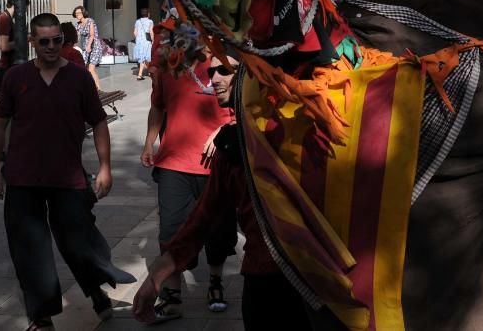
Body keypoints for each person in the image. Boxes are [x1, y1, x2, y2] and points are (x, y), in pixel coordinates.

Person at [133, 56, 337, 330]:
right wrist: (154, 279)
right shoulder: (230, 147)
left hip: (316, 282)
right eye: (212, 71)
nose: (214, 78)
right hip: (261, 282)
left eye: (225, 71)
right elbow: (202, 218)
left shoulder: (302, 134)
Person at [0, 13, 134, 329]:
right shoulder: (16, 77)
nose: (52, 47)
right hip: (23, 178)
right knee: (30, 250)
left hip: (67, 177)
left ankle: (95, 290)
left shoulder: (79, 78)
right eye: (45, 41)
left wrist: (106, 167)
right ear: (32, 42)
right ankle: (41, 316)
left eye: (57, 40)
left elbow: (97, 122)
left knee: (77, 243)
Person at [140, 51, 236, 322]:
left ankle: (215, 283)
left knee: (220, 230)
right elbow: (158, 106)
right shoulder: (169, 64)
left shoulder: (224, 63)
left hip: (218, 164)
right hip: (174, 162)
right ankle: (172, 296)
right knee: (171, 229)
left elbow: (246, 106)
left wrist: (225, 131)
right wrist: (149, 142)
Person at [73, 6, 104, 91]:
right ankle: (92, 88)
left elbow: (92, 35)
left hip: (94, 46)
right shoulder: (77, 25)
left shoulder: (90, 21)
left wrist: (89, 45)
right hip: (85, 48)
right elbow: (76, 37)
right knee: (86, 69)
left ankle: (99, 89)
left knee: (91, 69)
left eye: (79, 13)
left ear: (83, 13)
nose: (77, 15)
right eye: (76, 14)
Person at [131, 7, 153, 82]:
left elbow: (134, 33)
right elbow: (151, 32)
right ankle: (140, 75)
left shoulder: (138, 21)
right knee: (144, 58)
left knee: (145, 58)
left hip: (139, 42)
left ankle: (150, 73)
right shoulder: (150, 22)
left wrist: (139, 38)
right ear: (148, 14)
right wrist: (153, 40)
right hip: (146, 41)